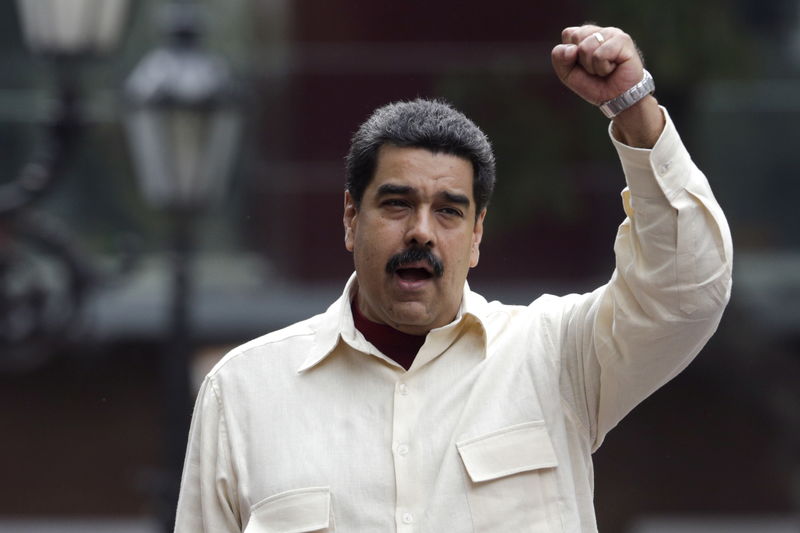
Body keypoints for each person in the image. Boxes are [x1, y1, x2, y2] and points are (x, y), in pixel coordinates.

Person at [174, 23, 732, 532]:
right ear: (351, 217)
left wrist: (635, 112)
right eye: (396, 204)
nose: (421, 232)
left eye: (449, 210)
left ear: (477, 233)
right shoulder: (245, 392)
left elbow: (685, 293)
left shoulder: (556, 356)